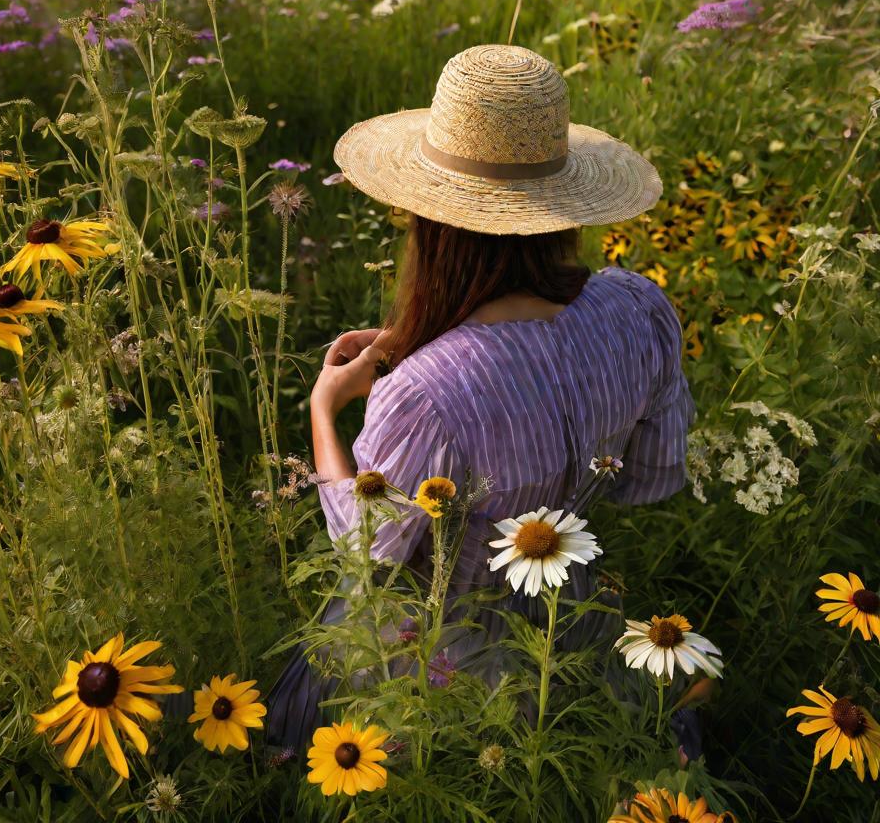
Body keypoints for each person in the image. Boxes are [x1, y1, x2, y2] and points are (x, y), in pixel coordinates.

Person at [266, 44, 696, 750]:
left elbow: (365, 554)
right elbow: (647, 480)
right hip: (570, 626)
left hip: (450, 664)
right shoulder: (638, 310)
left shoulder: (425, 396)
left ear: (433, 224)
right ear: (564, 208)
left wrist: (322, 409)